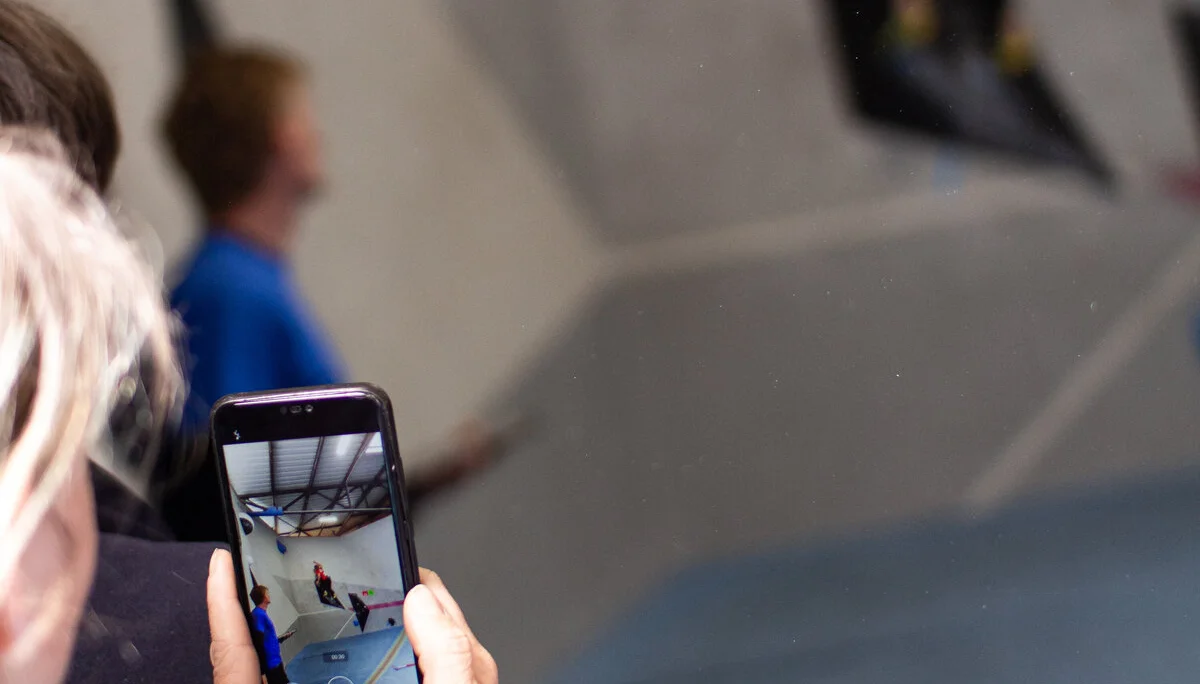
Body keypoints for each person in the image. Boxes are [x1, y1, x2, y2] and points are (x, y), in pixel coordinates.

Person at [0, 3, 497, 682]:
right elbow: (228, 491)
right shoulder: (229, 291)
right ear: (280, 136)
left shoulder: (241, 280)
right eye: (305, 113)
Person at [248, 585, 294, 684]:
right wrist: (263, 672)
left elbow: (266, 640)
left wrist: (281, 639)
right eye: (267, 594)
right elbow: (259, 643)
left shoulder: (261, 614)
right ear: (263, 597)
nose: (269, 595)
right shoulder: (258, 615)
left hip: (276, 662)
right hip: (271, 665)